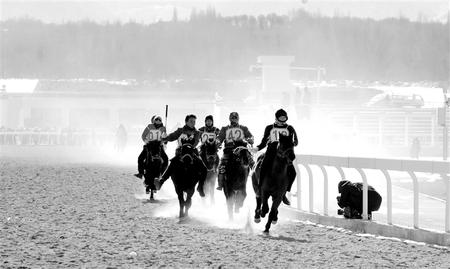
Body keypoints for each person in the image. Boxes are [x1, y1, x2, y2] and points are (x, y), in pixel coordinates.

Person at [251, 108, 298, 205]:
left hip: (284, 156)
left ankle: (284, 192)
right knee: (262, 168)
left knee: (293, 172)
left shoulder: (290, 128)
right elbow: (264, 142)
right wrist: (257, 148)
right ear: (276, 118)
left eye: (284, 118)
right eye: (280, 117)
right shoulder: (269, 128)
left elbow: (293, 143)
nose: (282, 120)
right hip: (270, 153)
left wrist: (293, 146)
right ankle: (260, 189)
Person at [216, 112, 255, 190]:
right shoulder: (225, 128)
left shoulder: (243, 128)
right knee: (222, 165)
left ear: (238, 119)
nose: (234, 119)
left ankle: (256, 176)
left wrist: (250, 139)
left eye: (235, 118)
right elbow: (220, 138)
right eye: (232, 118)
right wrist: (218, 142)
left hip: (242, 149)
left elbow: (250, 136)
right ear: (230, 119)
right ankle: (220, 184)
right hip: (228, 150)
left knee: (251, 161)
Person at [134, 115, 168, 179]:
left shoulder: (163, 128)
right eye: (156, 120)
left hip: (159, 146)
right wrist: (146, 141)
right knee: (140, 158)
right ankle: (141, 173)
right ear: (154, 121)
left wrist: (165, 139)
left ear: (161, 121)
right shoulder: (149, 126)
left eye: (159, 120)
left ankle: (161, 174)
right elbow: (143, 135)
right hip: (150, 145)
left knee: (166, 160)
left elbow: (165, 139)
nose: (158, 121)